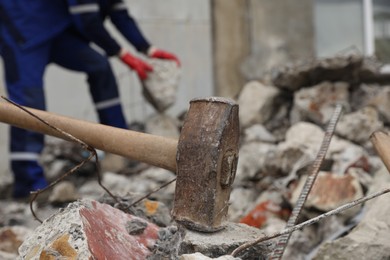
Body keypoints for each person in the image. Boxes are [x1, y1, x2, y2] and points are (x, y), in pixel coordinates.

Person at [0, 0, 180, 199]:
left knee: (99, 67)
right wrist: (124, 55)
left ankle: (120, 147)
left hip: (57, 28)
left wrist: (147, 49)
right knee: (29, 103)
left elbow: (116, 10)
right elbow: (87, 20)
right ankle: (28, 184)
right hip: (21, 26)